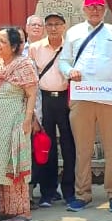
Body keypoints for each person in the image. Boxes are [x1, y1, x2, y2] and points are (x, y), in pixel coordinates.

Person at [59, 0, 112, 213]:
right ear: (84, 9)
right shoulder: (73, 33)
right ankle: (83, 194)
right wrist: (69, 71)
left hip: (110, 98)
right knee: (83, 148)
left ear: (105, 9)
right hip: (82, 97)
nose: (95, 10)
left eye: (99, 7)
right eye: (91, 7)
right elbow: (63, 60)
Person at [0, 27, 39, 221]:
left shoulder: (23, 64)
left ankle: (22, 211)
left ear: (15, 46)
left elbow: (32, 93)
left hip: (15, 121)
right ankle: (6, 209)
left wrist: (27, 120)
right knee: (0, 166)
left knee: (15, 165)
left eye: (2, 41)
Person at [31, 13, 76, 207]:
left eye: (57, 24)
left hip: (66, 100)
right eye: (49, 24)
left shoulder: (71, 47)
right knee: (45, 146)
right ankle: (48, 192)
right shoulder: (35, 48)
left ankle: (69, 191)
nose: (53, 28)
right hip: (45, 100)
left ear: (64, 26)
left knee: (69, 146)